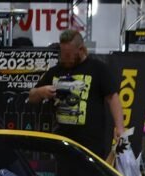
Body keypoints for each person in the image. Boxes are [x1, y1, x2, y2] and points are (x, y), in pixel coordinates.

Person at [28, 29, 124, 160]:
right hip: (63, 143)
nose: (65, 58)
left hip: (91, 144)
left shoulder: (97, 69)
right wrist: (41, 91)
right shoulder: (55, 71)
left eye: (69, 55)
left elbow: (113, 98)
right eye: (63, 53)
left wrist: (119, 127)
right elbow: (31, 96)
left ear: (81, 50)